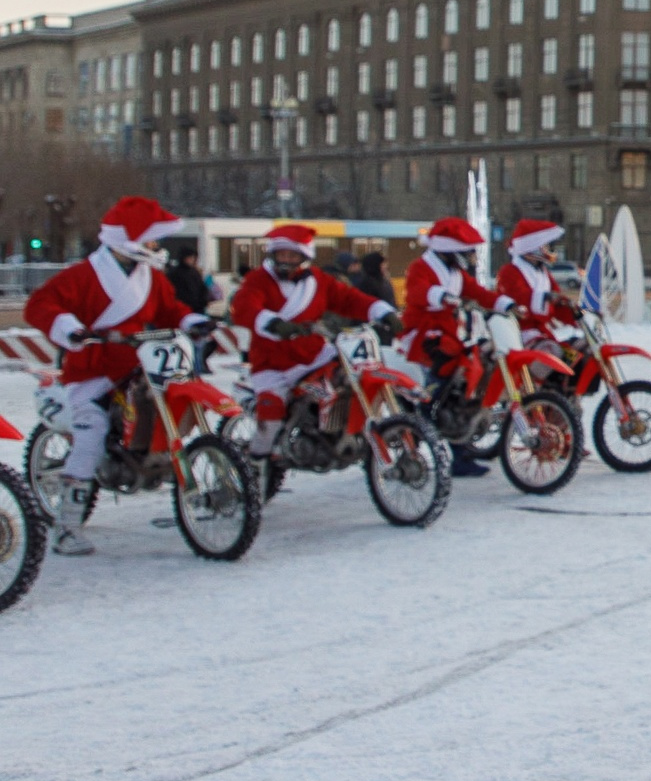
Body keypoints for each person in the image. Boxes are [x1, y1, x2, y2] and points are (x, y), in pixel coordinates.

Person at [23, 197, 213, 556]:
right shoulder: (83, 274)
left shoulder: (150, 278)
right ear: (129, 241)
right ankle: (67, 525)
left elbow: (169, 309)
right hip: (92, 368)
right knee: (92, 431)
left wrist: (192, 321)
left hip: (138, 363)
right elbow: (40, 305)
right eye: (152, 240)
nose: (156, 248)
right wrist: (71, 329)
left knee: (170, 403)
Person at [227, 224, 401, 485]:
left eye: (292, 255)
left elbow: (349, 299)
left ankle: (342, 429)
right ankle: (255, 466)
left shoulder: (318, 280)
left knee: (352, 378)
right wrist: (273, 324)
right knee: (271, 416)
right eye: (281, 254)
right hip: (272, 363)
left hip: (316, 353)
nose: (285, 260)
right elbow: (244, 307)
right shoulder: (258, 280)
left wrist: (382, 312)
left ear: (303, 256)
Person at [399, 218, 514, 477]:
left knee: (464, 386)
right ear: (448, 250)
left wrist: (505, 304)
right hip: (425, 337)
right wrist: (440, 296)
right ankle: (425, 420)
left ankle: (459, 439)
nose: (470, 257)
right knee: (439, 388)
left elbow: (478, 292)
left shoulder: (455, 273)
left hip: (452, 335)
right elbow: (417, 291)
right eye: (466, 251)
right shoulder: (421, 267)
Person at [494, 219, 578, 370]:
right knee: (552, 354)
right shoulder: (509, 271)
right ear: (533, 248)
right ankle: (537, 390)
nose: (550, 250)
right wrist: (546, 297)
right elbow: (522, 298)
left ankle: (562, 391)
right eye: (546, 246)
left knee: (574, 356)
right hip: (520, 333)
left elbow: (557, 301)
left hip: (542, 332)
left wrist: (576, 314)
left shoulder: (542, 273)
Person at [165, 245, 214, 372]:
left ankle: (197, 369)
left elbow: (203, 289)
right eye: (190, 257)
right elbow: (175, 294)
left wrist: (204, 300)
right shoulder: (175, 274)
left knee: (198, 345)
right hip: (183, 315)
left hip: (197, 312)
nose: (192, 260)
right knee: (187, 344)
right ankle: (192, 370)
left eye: (193, 257)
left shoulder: (194, 272)